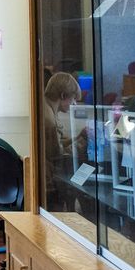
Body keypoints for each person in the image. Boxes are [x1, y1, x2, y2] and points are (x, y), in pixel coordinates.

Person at [41, 71, 82, 208]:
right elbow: (56, 155)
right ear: (63, 95)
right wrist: (80, 144)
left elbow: (54, 142)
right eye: (73, 99)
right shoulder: (49, 121)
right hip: (49, 184)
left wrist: (76, 137)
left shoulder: (44, 106)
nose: (74, 104)